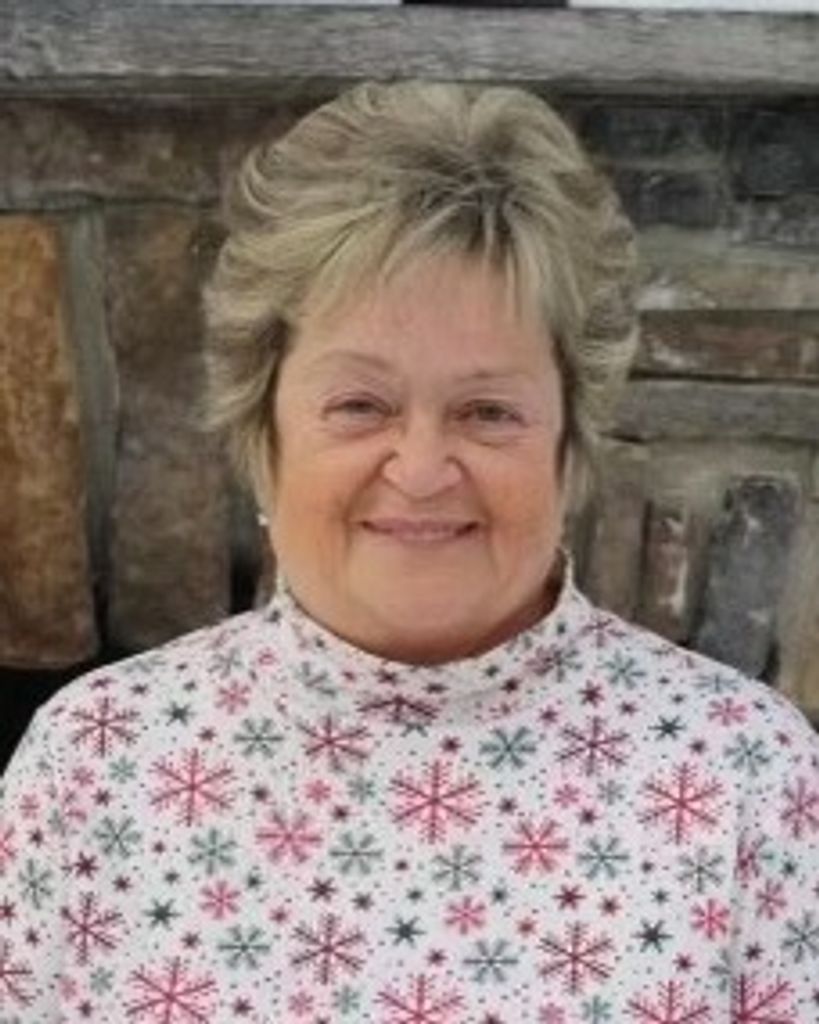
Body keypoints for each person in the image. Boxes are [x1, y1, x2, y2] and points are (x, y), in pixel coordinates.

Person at [2, 81, 817, 1023]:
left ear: (567, 443)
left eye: (487, 411)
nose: (422, 470)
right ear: (264, 432)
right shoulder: (96, 759)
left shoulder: (749, 775)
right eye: (360, 405)